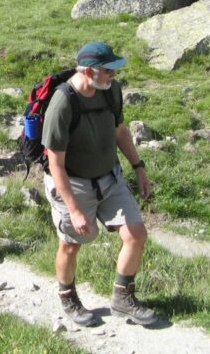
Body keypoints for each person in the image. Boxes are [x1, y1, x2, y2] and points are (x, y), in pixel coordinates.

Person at [42, 41, 155, 327]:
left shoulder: (110, 91)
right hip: (73, 182)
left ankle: (122, 298)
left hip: (110, 176)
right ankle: (68, 297)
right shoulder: (63, 102)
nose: (113, 76)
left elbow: (120, 131)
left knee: (136, 234)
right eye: (108, 71)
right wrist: (75, 209)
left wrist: (138, 167)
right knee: (71, 244)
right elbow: (55, 163)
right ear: (89, 70)